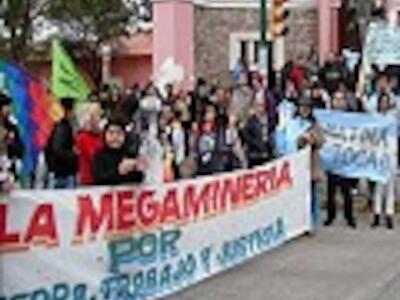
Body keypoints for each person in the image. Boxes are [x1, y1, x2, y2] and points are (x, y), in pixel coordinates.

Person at [276, 95, 324, 229]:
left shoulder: (314, 125)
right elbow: (283, 141)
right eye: (302, 107)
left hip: (308, 165)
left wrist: (311, 139)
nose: (304, 110)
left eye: (307, 108)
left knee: (311, 194)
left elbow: (320, 141)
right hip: (292, 163)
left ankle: (312, 222)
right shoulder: (291, 123)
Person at [324, 91, 357, 228]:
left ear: (344, 102)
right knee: (331, 191)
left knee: (346, 191)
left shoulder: (350, 117)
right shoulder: (327, 116)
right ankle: (330, 216)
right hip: (332, 160)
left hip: (345, 160)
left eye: (340, 99)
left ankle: (349, 217)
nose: (338, 102)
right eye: (335, 99)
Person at [93, 119, 144, 185]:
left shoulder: (130, 155)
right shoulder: (99, 156)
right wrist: (118, 172)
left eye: (119, 133)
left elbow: (137, 180)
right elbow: (99, 178)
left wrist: (137, 169)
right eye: (111, 133)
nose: (115, 137)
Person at [371, 94, 396, 229]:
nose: (384, 104)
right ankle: (377, 213)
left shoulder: (393, 119)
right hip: (379, 152)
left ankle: (389, 214)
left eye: (386, 102)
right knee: (379, 186)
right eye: (382, 102)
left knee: (390, 187)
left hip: (391, 152)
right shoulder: (375, 118)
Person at [46, 98, 77, 189]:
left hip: (61, 172)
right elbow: (57, 150)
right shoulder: (62, 128)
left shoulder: (64, 126)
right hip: (62, 173)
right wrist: (73, 154)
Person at [75, 103, 104, 185]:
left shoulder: (101, 135)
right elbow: (94, 157)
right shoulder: (83, 137)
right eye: (97, 115)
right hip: (89, 181)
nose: (100, 119)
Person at [242, 97, 273, 168]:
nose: (261, 108)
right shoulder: (250, 122)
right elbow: (247, 138)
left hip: (267, 155)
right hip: (255, 156)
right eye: (259, 106)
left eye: (262, 105)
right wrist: (259, 146)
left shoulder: (269, 120)